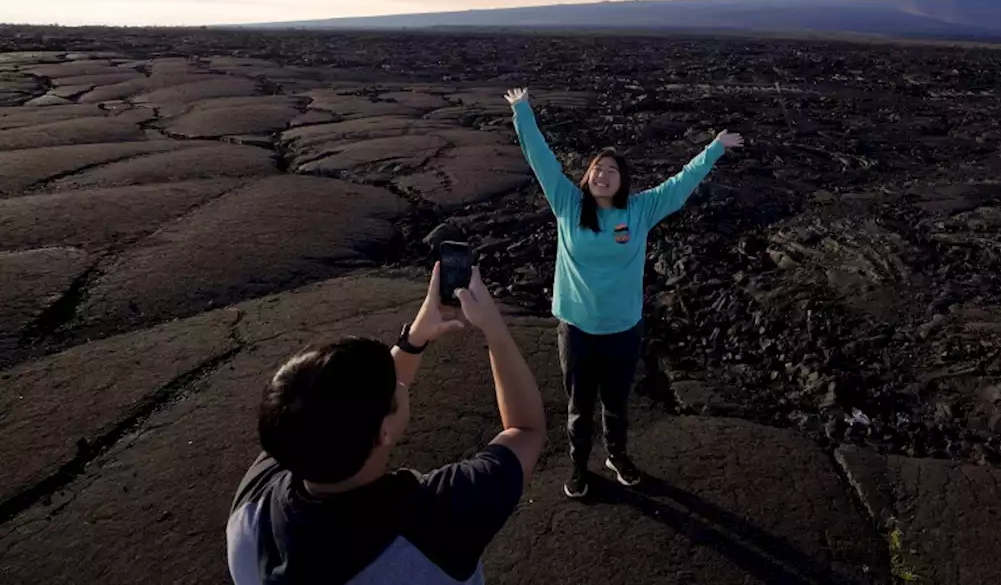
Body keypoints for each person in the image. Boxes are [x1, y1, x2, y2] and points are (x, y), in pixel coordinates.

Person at [225, 263, 545, 585]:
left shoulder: (255, 501)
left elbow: (343, 407)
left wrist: (415, 338)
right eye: (397, 388)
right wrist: (494, 329)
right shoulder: (439, 520)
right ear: (384, 432)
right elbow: (526, 430)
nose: (400, 382)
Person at [505, 86, 744, 499]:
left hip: (623, 329)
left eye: (611, 170)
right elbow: (541, 160)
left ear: (623, 180)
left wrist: (714, 149)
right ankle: (579, 467)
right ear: (588, 175)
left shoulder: (640, 210)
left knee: (616, 404)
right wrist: (522, 111)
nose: (602, 174)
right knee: (579, 408)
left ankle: (617, 456)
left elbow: (679, 184)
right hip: (577, 329)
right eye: (597, 168)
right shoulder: (567, 203)